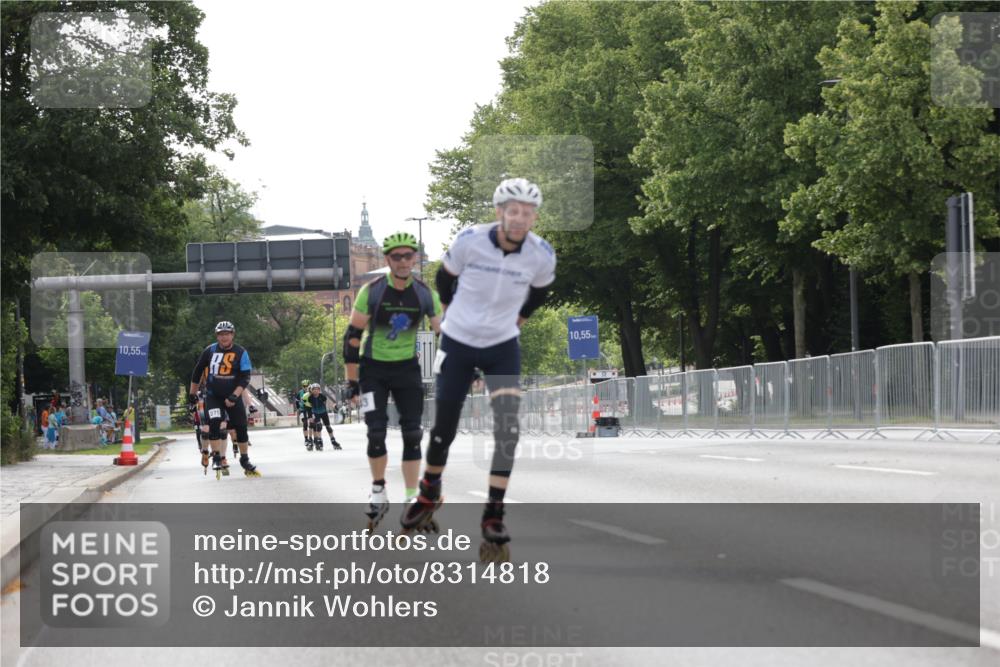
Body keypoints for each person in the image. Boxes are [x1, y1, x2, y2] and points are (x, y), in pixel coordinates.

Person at [400, 178, 555, 562]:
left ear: (535, 216)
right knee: (445, 425)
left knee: (508, 424)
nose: (520, 219)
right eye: (513, 211)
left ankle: (494, 513)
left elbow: (539, 292)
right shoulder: (470, 240)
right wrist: (453, 315)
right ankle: (428, 490)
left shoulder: (541, 254)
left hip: (502, 344)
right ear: (500, 212)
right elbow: (443, 280)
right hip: (459, 341)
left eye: (528, 212)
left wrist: (518, 319)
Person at [343, 231, 442, 531]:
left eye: (407, 256)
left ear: (414, 258)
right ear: (387, 259)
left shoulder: (425, 294)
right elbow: (352, 338)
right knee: (376, 432)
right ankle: (378, 489)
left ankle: (412, 498)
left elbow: (444, 334)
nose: (402, 261)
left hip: (407, 370)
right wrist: (352, 382)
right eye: (396, 256)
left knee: (412, 434)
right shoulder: (371, 291)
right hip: (374, 370)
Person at [188, 321, 261, 478]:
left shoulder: (241, 352)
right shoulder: (210, 351)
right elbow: (197, 372)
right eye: (221, 334)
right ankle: (216, 457)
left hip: (232, 396)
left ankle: (244, 459)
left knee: (241, 427)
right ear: (217, 336)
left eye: (227, 334)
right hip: (213, 395)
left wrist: (234, 396)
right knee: (214, 422)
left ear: (232, 335)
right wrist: (192, 395)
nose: (224, 337)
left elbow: (245, 377)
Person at [306, 383, 341, 451]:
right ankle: (319, 441)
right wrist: (310, 416)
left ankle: (333, 441)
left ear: (319, 390)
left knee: (328, 427)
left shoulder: (322, 396)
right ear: (312, 390)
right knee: (319, 426)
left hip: (323, 413)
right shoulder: (310, 398)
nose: (316, 391)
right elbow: (309, 408)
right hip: (316, 413)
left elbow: (324, 403)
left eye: (317, 389)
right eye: (314, 389)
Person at [296, 380, 312, 449]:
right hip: (303, 410)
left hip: (310, 409)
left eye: (307, 386)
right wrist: (298, 408)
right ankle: (306, 439)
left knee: (312, 424)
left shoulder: (311, 392)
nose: (305, 387)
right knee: (305, 423)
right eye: (304, 386)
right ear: (302, 386)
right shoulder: (300, 393)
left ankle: (312, 438)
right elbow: (296, 401)